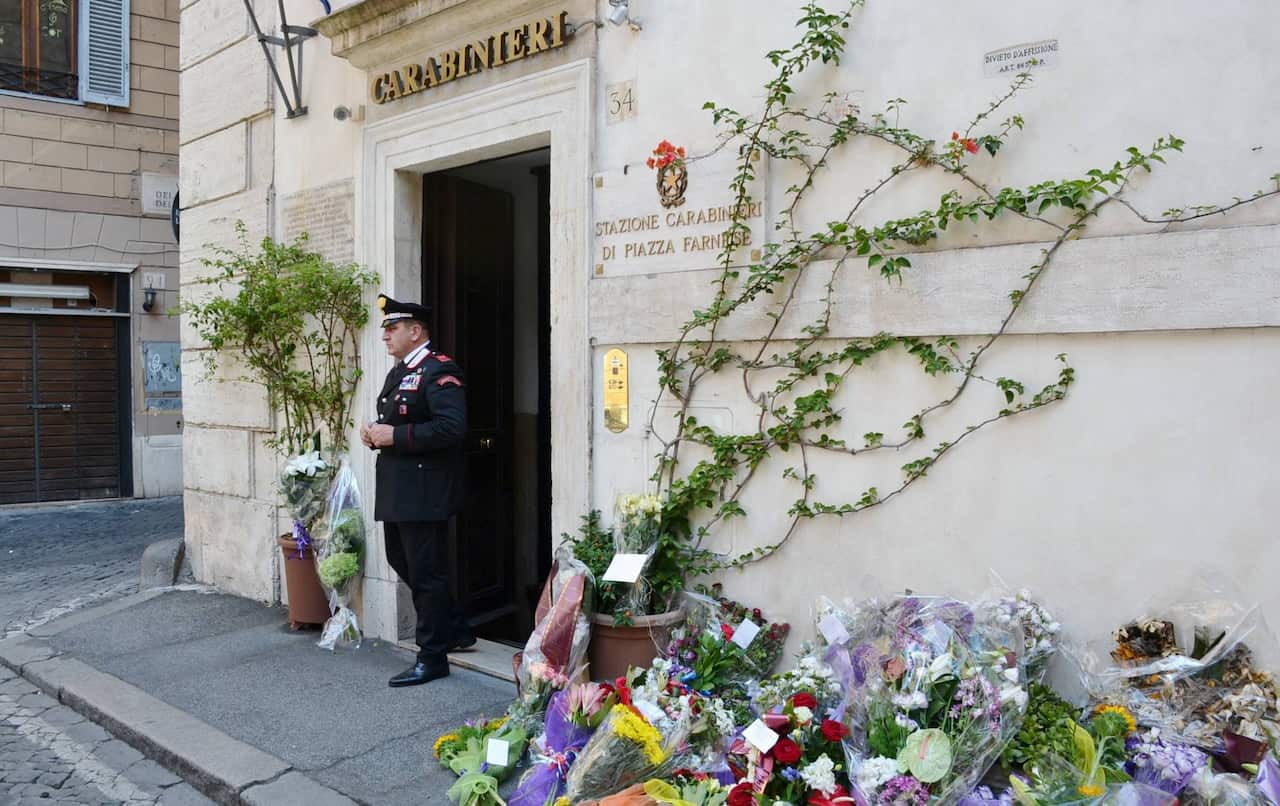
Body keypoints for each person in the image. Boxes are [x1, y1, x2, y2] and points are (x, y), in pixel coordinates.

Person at [360, 293, 475, 687]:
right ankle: (455, 627)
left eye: (392, 329)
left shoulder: (440, 371)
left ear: (415, 330)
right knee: (401, 560)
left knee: (426, 573)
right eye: (385, 329)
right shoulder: (400, 371)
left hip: (424, 493)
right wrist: (376, 436)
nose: (385, 336)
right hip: (399, 490)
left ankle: (432, 657)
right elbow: (399, 423)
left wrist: (395, 435)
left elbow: (451, 428)